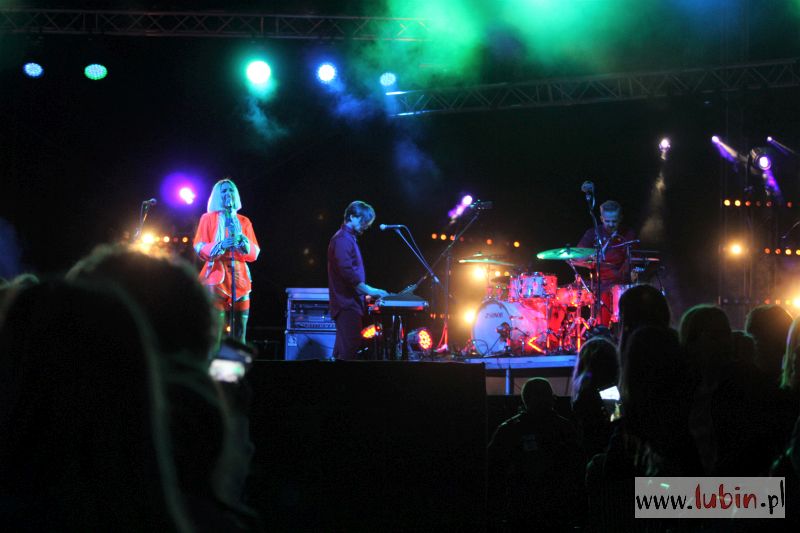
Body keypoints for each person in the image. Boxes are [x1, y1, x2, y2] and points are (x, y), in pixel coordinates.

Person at [194, 178, 260, 344]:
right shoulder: (207, 218)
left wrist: (242, 242)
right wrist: (221, 245)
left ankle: (239, 360)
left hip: (240, 278)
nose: (228, 194)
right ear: (217, 195)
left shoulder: (244, 221)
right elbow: (199, 246)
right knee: (216, 331)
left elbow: (255, 252)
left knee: (240, 331)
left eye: (230, 190)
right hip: (216, 276)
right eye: (223, 191)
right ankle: (214, 359)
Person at [327, 201, 388, 360]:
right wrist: (371, 290)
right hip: (346, 304)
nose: (366, 225)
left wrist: (365, 294)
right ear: (352, 217)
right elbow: (347, 272)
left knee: (342, 352)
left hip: (348, 303)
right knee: (349, 351)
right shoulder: (342, 240)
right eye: (364, 221)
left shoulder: (348, 238)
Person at [577, 200, 637, 328]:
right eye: (607, 221)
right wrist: (591, 257)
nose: (610, 224)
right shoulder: (593, 233)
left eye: (614, 221)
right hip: (600, 285)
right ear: (601, 218)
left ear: (620, 218)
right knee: (602, 325)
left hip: (621, 285)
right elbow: (578, 254)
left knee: (625, 323)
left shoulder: (628, 233)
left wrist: (629, 274)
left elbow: (633, 259)